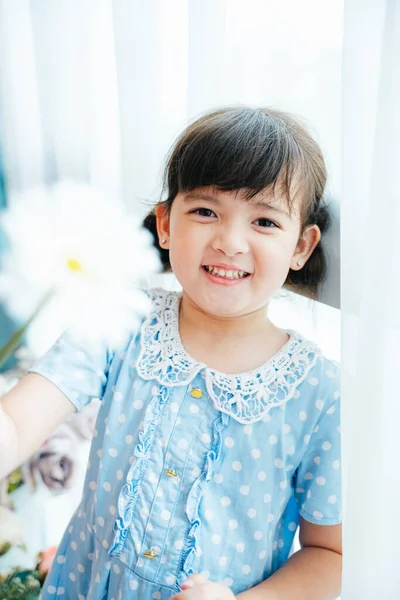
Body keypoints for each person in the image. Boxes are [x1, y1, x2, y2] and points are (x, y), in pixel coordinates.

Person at [0, 107, 342, 599]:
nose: (230, 242)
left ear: (302, 247)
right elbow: (17, 423)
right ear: (165, 224)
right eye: (205, 211)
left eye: (265, 221)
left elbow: (330, 554)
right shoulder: (119, 320)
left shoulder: (320, 392)